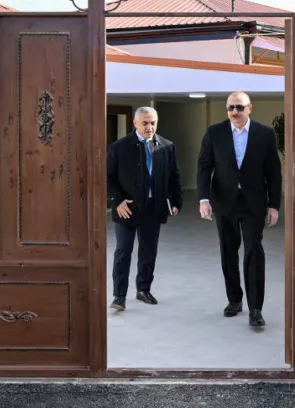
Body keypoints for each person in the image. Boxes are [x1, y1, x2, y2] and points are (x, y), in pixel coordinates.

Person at [196, 91, 282, 327]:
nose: (234, 112)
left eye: (239, 107)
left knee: (254, 252)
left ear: (249, 108)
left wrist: (274, 205)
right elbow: (204, 167)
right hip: (225, 202)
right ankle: (234, 300)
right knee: (228, 252)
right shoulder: (214, 132)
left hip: (253, 203)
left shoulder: (265, 134)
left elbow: (273, 172)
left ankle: (256, 309)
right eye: (230, 107)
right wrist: (203, 199)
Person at [107, 106, 183, 311]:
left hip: (153, 207)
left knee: (148, 251)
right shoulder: (119, 147)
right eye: (145, 123)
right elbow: (107, 178)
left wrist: (176, 201)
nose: (149, 127)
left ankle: (143, 289)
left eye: (153, 123)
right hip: (127, 208)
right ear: (135, 123)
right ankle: (119, 296)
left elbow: (174, 176)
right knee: (123, 250)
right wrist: (117, 201)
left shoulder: (166, 146)